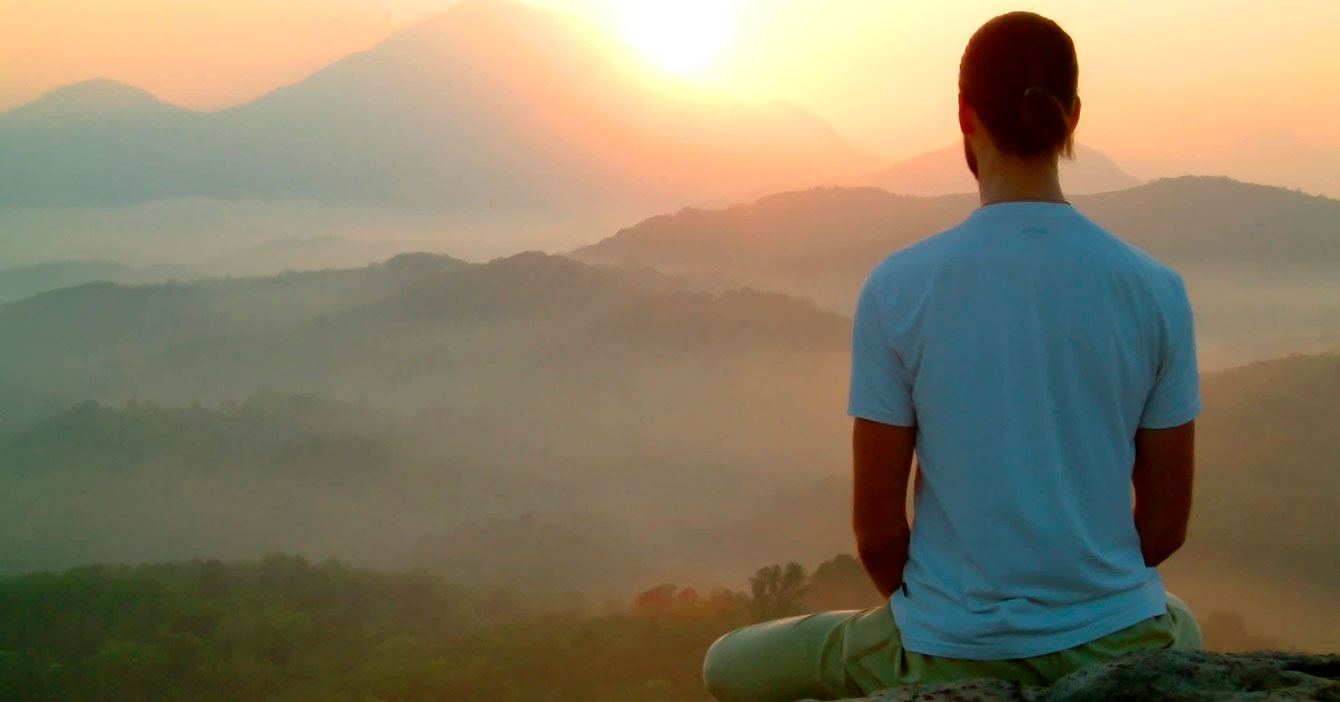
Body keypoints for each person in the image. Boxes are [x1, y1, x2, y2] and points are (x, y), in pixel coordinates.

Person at [702, 11, 1203, 702]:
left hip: (944, 649)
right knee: (1184, 625)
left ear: (965, 114)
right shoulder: (1156, 289)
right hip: (1117, 635)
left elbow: (878, 533)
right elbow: (1165, 525)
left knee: (726, 663)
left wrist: (948, 620)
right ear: (1075, 116)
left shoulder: (900, 285)